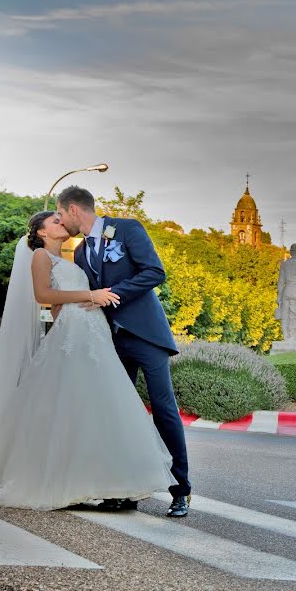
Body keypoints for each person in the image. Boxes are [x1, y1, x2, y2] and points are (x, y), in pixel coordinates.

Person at [0, 212, 174, 510]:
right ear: (41, 231)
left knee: (97, 407)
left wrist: (84, 304)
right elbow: (43, 294)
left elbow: (60, 303)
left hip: (92, 332)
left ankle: (109, 483)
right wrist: (91, 294)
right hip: (74, 336)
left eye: (62, 219)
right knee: (69, 403)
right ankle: (63, 480)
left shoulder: (75, 257)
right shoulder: (40, 257)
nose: (62, 223)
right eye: (55, 221)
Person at [56, 186, 191, 517]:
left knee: (163, 408)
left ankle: (181, 490)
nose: (60, 221)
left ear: (74, 209)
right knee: (117, 414)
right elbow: (88, 295)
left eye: (61, 214)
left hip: (146, 335)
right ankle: (124, 490)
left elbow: (154, 272)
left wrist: (113, 293)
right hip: (110, 341)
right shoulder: (80, 251)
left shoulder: (127, 228)